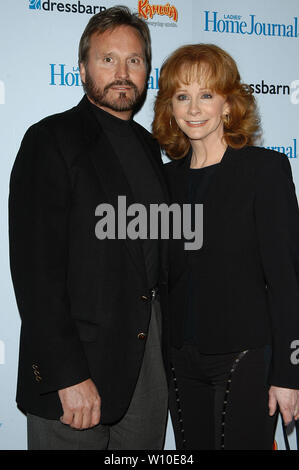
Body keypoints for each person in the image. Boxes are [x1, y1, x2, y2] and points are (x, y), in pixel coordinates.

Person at [9, 6, 169, 450]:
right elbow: (35, 270)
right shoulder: (50, 139)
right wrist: (67, 374)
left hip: (146, 371)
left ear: (146, 71)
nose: (122, 72)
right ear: (82, 68)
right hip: (78, 372)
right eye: (108, 59)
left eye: (134, 60)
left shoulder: (149, 147)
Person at [152, 43, 299, 450]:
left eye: (206, 95)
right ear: (170, 108)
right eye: (182, 96)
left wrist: (289, 375)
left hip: (246, 358)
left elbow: (286, 281)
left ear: (229, 105)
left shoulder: (264, 171)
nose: (194, 108)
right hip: (179, 361)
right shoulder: (163, 181)